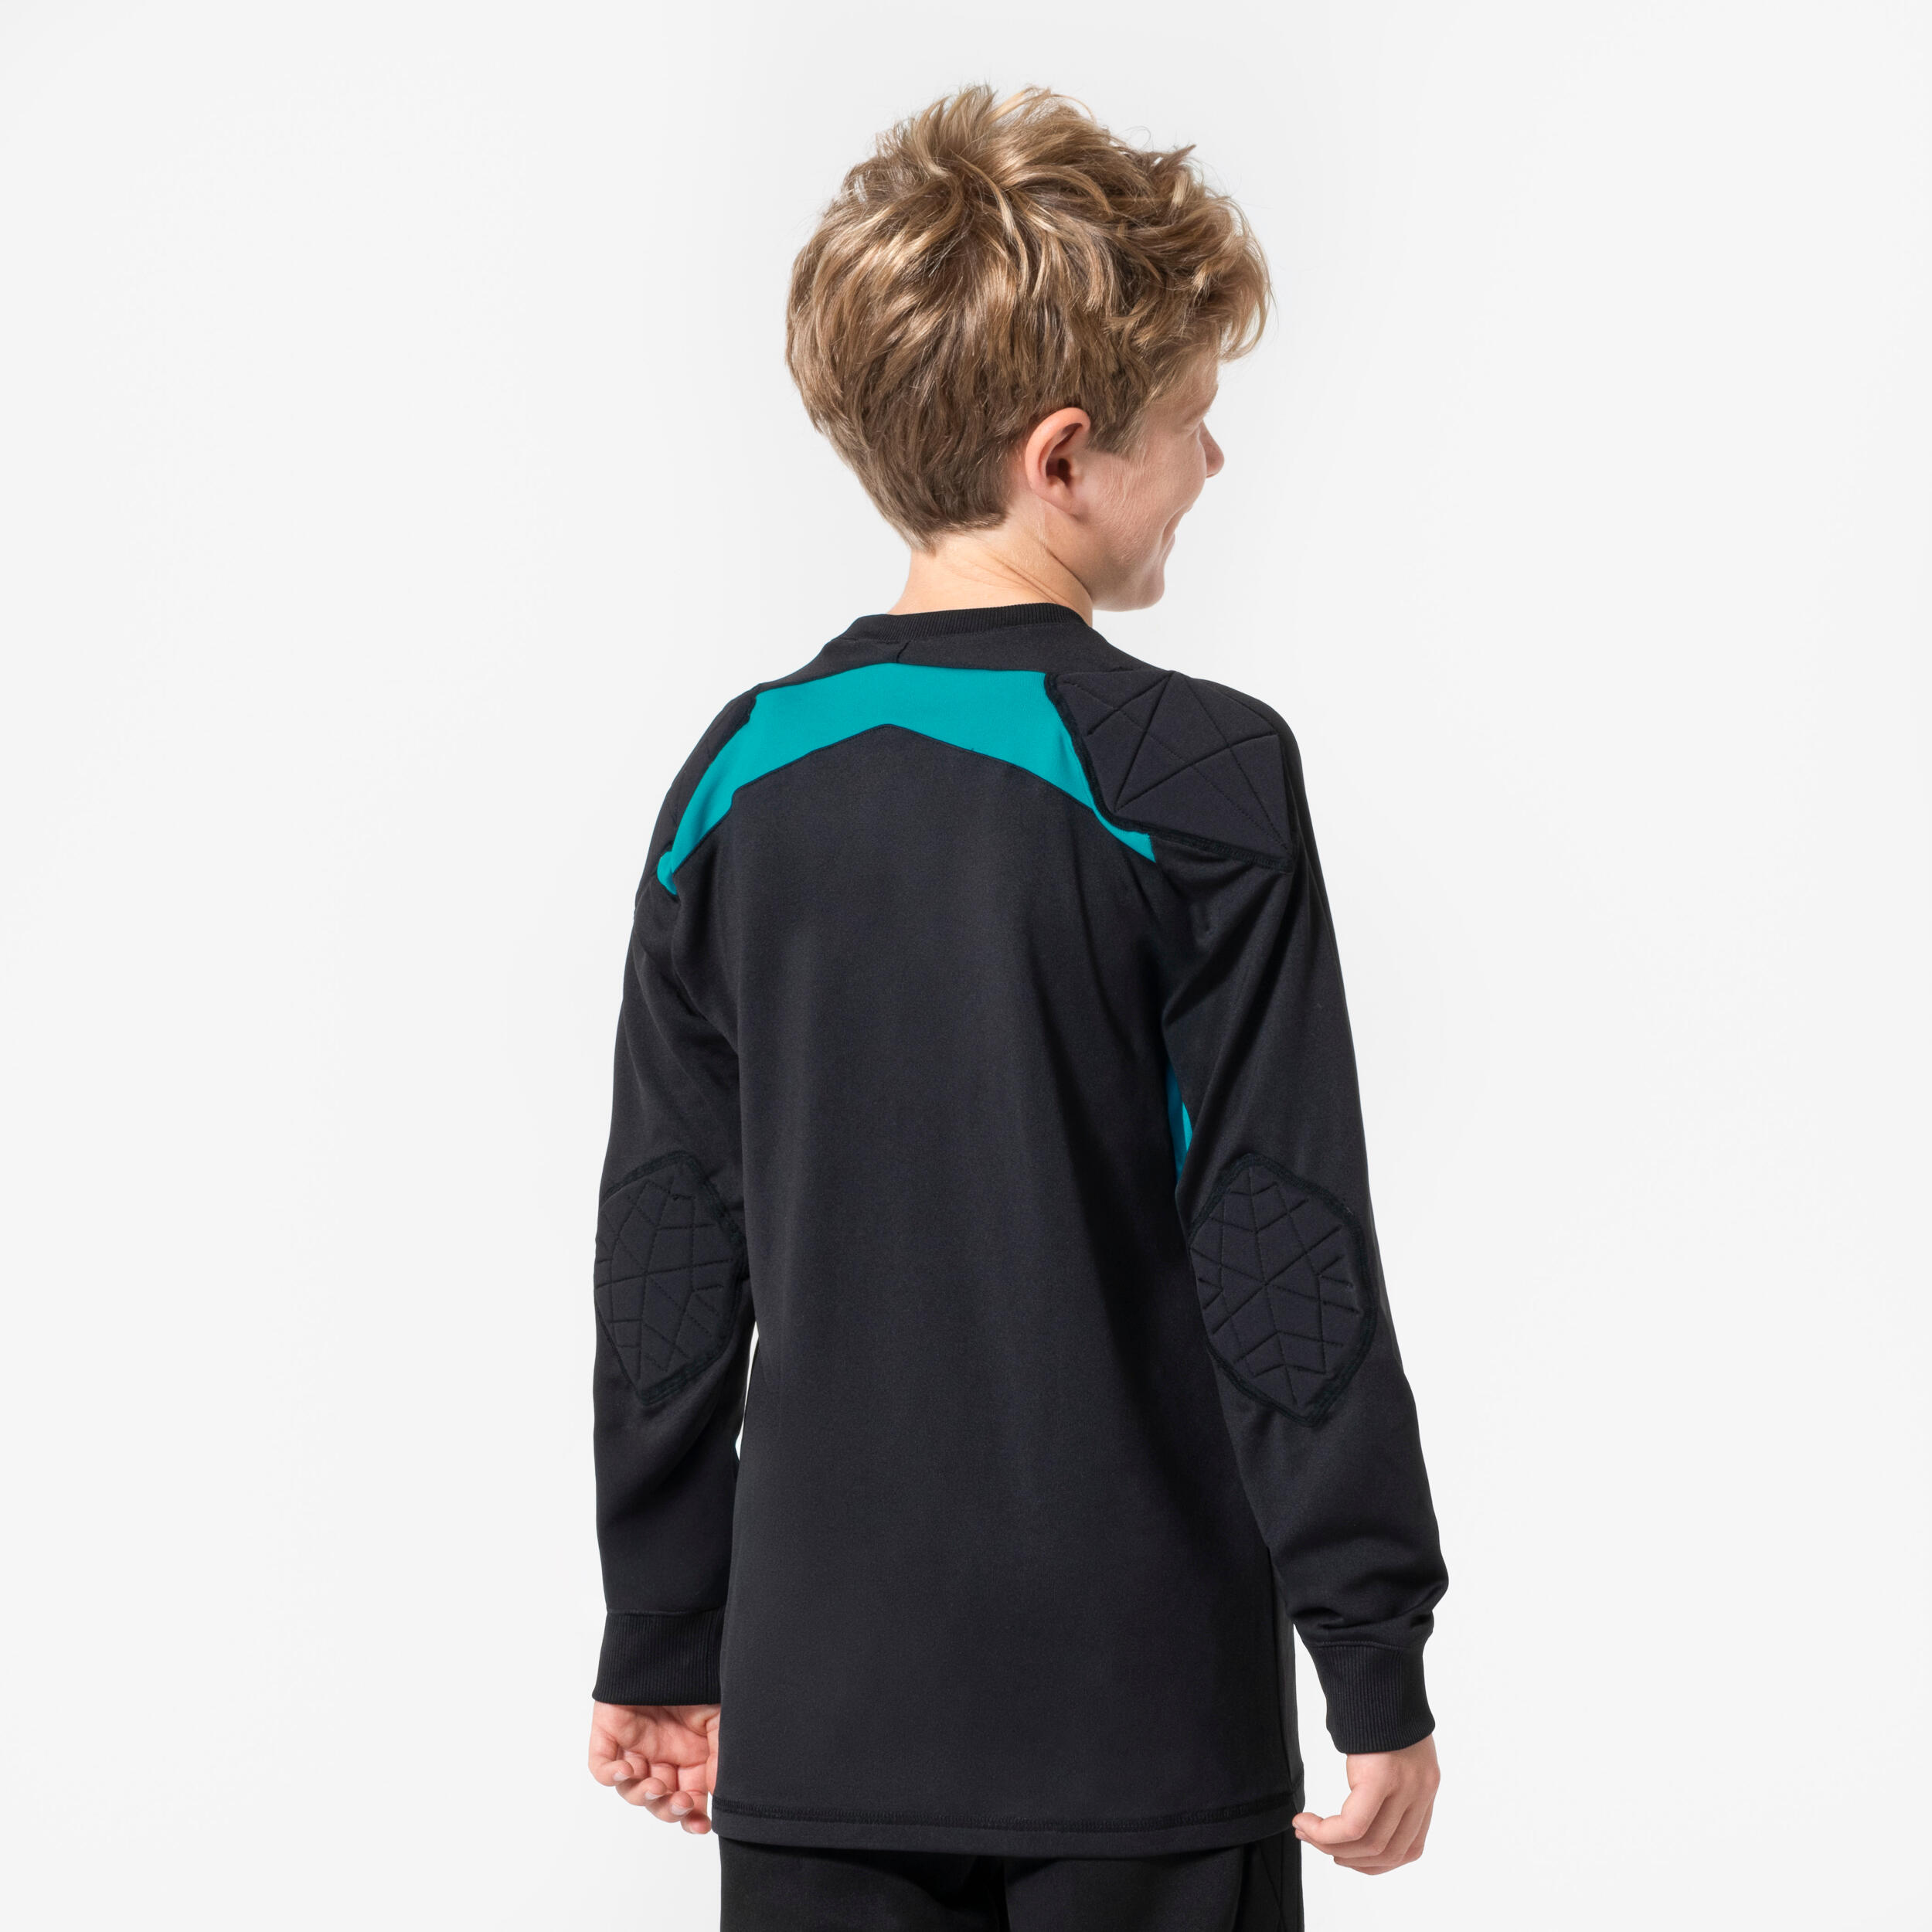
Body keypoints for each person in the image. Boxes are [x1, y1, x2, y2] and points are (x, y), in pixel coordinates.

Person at [584, 84, 1447, 1931]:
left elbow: (666, 1248)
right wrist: (1367, 1644)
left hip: (819, 1724)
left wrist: (660, 1623)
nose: (1211, 459)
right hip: (1140, 1735)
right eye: (1189, 419)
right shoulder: (1190, 770)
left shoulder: (735, 779)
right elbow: (1275, 1230)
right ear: (1063, 457)